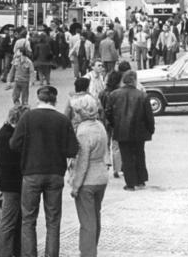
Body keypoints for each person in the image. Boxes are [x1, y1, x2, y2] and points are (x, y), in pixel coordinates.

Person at [9, 85, 79, 257]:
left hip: (32, 172)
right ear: (55, 99)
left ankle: (30, 257)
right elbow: (72, 149)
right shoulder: (62, 120)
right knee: (53, 220)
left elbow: (14, 144)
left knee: (28, 219)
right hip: (55, 173)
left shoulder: (28, 117)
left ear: (38, 98)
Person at [69, 94, 110, 257]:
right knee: (95, 216)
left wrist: (75, 185)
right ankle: (92, 250)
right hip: (101, 176)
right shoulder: (99, 125)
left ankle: (87, 254)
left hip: (88, 180)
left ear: (80, 112)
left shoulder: (82, 131)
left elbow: (82, 162)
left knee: (87, 221)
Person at [105, 70, 155, 191]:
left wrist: (114, 124)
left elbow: (108, 112)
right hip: (139, 130)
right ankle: (141, 180)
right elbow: (149, 115)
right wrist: (150, 129)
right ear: (134, 80)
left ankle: (130, 183)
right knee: (139, 154)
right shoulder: (142, 95)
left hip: (121, 130)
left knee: (126, 157)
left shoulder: (114, 94)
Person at [0, 104, 29, 257]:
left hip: (12, 182)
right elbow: (12, 162)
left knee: (16, 219)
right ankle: (4, 255)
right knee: (8, 221)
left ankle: (16, 251)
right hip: (12, 184)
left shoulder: (8, 131)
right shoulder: (8, 135)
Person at [98, 71, 123, 179]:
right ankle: (117, 169)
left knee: (105, 145)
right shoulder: (118, 93)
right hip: (116, 121)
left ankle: (105, 166)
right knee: (116, 146)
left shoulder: (102, 93)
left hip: (104, 121)